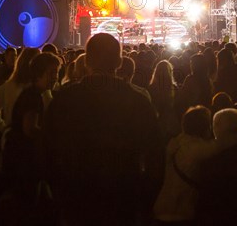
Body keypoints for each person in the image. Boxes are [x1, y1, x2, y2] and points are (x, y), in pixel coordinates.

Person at [44, 33, 164, 226]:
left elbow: (47, 148)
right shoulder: (138, 101)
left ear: (86, 61)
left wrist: (59, 191)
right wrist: (144, 197)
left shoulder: (63, 100)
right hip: (123, 196)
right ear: (119, 62)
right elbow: (155, 154)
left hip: (77, 197)